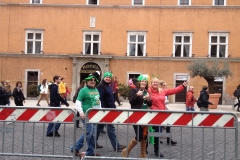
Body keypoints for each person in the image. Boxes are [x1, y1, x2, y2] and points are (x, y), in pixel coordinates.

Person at [148, 78, 188, 157]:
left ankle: (157, 150)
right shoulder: (149, 91)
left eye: (156, 82)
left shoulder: (162, 91)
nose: (155, 83)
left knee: (158, 133)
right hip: (153, 115)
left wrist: (182, 86)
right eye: (154, 82)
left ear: (158, 83)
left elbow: (173, 91)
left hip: (161, 115)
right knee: (152, 132)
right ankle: (146, 150)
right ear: (151, 83)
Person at [70, 72, 101, 158]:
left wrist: (100, 110)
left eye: (94, 80)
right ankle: (75, 148)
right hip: (87, 115)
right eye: (91, 80)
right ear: (87, 81)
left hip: (95, 115)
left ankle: (90, 151)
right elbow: (78, 101)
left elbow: (98, 100)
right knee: (88, 132)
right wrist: (81, 112)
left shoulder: (96, 89)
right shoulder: (83, 90)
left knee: (93, 134)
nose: (93, 81)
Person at [121, 74, 151, 158]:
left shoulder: (146, 91)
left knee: (145, 136)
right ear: (139, 82)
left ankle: (143, 155)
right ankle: (126, 151)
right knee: (140, 136)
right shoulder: (134, 90)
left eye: (145, 81)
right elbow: (131, 102)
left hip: (145, 117)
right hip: (136, 116)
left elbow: (150, 104)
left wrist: (148, 99)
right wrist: (137, 95)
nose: (144, 83)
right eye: (142, 81)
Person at [96, 71, 126, 152]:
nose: (108, 78)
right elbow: (100, 99)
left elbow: (110, 98)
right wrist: (103, 109)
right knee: (110, 128)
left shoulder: (107, 85)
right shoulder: (101, 86)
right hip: (106, 111)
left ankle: (93, 142)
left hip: (109, 110)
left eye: (109, 77)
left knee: (99, 127)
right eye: (107, 77)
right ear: (104, 77)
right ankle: (116, 146)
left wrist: (114, 108)